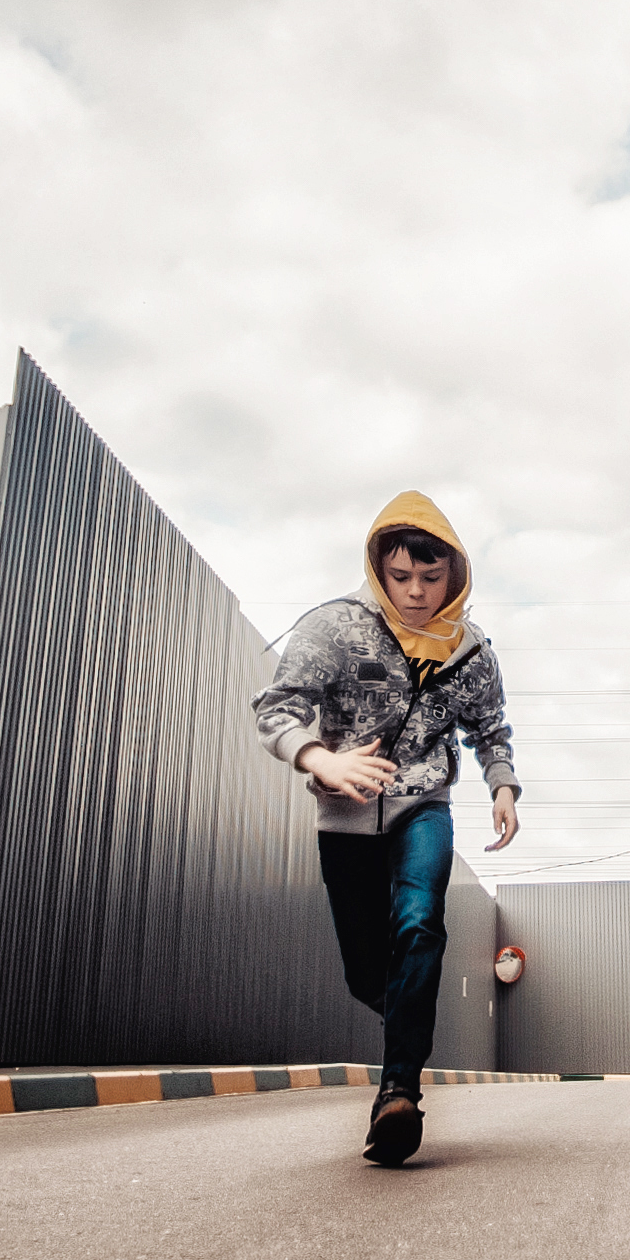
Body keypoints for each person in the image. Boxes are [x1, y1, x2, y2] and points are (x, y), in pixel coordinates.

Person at [253, 494, 519, 1165]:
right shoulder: (333, 628)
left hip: (422, 805)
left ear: (452, 574)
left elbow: (490, 728)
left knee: (420, 924)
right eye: (401, 576)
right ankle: (405, 1020)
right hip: (343, 815)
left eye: (431, 579)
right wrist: (321, 758)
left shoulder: (469, 647)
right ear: (380, 567)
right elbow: (278, 708)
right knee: (367, 973)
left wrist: (503, 786)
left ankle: (398, 1091)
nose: (415, 592)